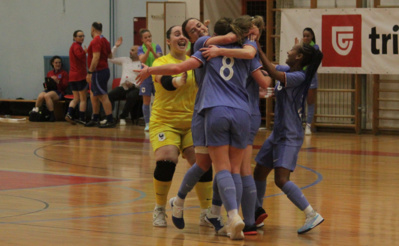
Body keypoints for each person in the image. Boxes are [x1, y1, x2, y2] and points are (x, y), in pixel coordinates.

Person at [135, 16, 272, 240]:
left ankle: (216, 212)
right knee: (210, 164)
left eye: (199, 25)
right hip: (203, 114)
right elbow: (262, 77)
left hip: (210, 112)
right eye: (191, 29)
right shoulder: (207, 45)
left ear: (207, 27)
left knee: (217, 166)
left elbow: (251, 63)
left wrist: (237, 43)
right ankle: (183, 205)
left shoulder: (212, 46)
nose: (197, 30)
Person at [253, 41, 324, 234]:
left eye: (292, 50)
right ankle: (255, 214)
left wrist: (257, 46)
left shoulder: (298, 77)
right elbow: (269, 68)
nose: (288, 50)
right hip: (278, 133)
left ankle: (311, 213)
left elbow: (274, 73)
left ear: (299, 57)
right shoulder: (288, 69)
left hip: (290, 136)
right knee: (259, 172)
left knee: (281, 179)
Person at [147, 26, 213, 229]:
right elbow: (164, 80)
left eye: (184, 34)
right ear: (168, 41)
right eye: (177, 34)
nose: (182, 37)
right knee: (167, 160)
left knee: (202, 162)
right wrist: (177, 81)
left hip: (192, 122)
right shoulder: (161, 62)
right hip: (164, 121)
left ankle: (206, 212)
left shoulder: (195, 62)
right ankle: (159, 208)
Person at [85, 22, 115, 128]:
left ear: (92, 29)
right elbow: (110, 55)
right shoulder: (105, 40)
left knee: (102, 96)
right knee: (94, 95)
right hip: (103, 70)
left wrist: (90, 72)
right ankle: (95, 118)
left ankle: (110, 120)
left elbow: (96, 57)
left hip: (98, 71)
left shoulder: (96, 40)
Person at [108, 37, 142, 126]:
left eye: (133, 50)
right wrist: (116, 46)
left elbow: (144, 79)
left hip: (135, 88)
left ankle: (123, 116)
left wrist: (134, 85)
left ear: (138, 53)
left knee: (132, 96)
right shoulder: (125, 60)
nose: (130, 51)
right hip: (123, 86)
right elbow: (111, 59)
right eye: (130, 49)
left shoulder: (142, 63)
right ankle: (109, 117)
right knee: (110, 95)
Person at [138, 29, 163, 131]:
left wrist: (152, 49)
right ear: (142, 39)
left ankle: (159, 121)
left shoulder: (157, 46)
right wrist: (148, 50)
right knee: (146, 100)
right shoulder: (140, 48)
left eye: (149, 36)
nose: (148, 39)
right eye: (146, 37)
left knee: (159, 99)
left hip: (156, 75)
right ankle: (147, 123)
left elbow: (159, 59)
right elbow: (142, 60)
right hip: (146, 77)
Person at [33, 55, 69, 122]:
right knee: (41, 96)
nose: (58, 64)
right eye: (56, 63)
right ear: (52, 63)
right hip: (49, 89)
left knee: (47, 96)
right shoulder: (50, 73)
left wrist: (57, 81)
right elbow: (47, 84)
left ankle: (52, 115)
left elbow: (65, 86)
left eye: (59, 62)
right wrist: (46, 85)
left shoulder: (64, 73)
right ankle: (36, 113)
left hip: (59, 91)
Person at [65, 30, 88, 125]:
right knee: (83, 99)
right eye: (79, 36)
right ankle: (81, 118)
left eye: (83, 36)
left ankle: (69, 114)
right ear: (74, 37)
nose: (82, 38)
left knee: (76, 98)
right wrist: (85, 52)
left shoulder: (74, 46)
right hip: (79, 75)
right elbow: (79, 56)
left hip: (72, 77)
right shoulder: (76, 46)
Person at [301, 27, 319, 135]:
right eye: (304, 36)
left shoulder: (315, 48)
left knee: (310, 101)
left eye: (308, 36)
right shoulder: (300, 47)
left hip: (311, 77)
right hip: (301, 76)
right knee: (300, 101)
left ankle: (308, 125)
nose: (306, 38)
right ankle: (300, 124)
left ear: (312, 36)